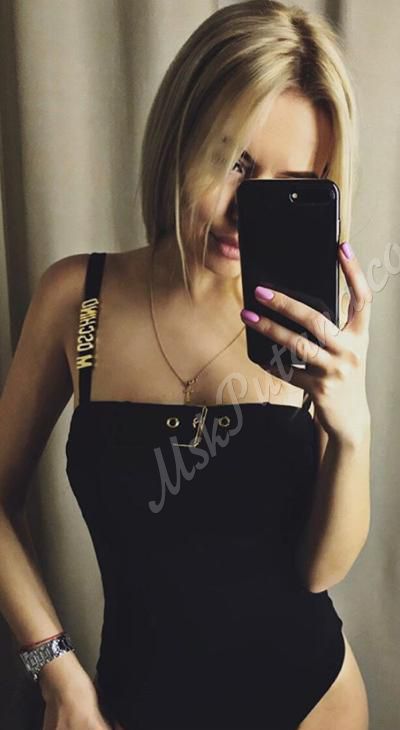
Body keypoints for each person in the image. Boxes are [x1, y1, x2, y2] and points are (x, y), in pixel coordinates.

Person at [0, 1, 372, 728]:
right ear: (180, 135)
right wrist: (57, 672)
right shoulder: (79, 302)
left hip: (314, 704)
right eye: (236, 164)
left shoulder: (312, 326)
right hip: (131, 705)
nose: (244, 211)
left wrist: (352, 428)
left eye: (287, 183)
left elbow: (320, 571)